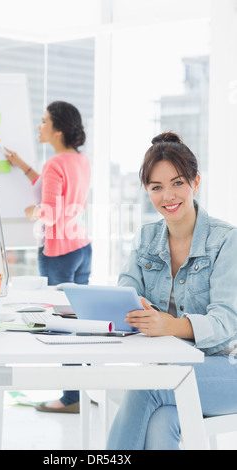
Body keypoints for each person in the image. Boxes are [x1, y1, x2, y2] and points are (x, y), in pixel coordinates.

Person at [107, 132, 237, 450]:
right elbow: (127, 286)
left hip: (226, 367)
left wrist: (170, 325)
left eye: (178, 183)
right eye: (156, 187)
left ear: (196, 182)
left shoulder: (226, 240)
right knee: (163, 419)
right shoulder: (147, 238)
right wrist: (133, 303)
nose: (168, 195)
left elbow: (226, 323)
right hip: (171, 364)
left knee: (145, 387)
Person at [4, 101, 92, 413]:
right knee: (81, 322)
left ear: (57, 130)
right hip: (81, 247)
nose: (38, 126)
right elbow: (51, 189)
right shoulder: (78, 160)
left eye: (43, 121)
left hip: (59, 253)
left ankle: (71, 399)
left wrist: (32, 212)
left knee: (65, 326)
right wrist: (23, 165)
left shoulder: (56, 164)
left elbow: (50, 211)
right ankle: (81, 390)